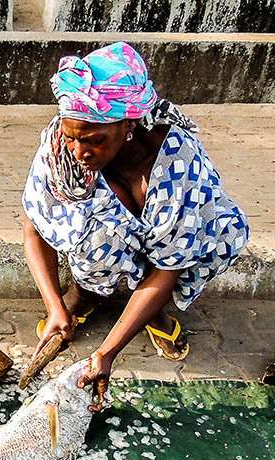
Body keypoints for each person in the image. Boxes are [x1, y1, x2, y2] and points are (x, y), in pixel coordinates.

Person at [22, 41, 249, 410]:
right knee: (95, 228)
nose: (80, 152)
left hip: (168, 249)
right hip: (111, 245)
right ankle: (83, 296)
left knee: (206, 236)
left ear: (128, 125)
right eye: (72, 136)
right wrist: (54, 308)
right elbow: (34, 227)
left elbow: (168, 266)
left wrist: (106, 353)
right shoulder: (61, 146)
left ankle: (151, 309)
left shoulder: (177, 164)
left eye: (95, 141)